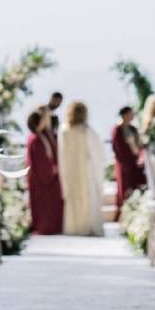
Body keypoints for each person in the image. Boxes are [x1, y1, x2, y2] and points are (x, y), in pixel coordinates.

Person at [57, 101, 106, 236]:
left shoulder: (64, 131)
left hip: (70, 172)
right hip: (86, 172)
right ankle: (87, 227)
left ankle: (74, 228)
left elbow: (60, 155)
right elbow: (98, 155)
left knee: (73, 200)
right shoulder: (88, 132)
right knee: (87, 199)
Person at [25, 110, 63, 235]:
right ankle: (45, 227)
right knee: (43, 205)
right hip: (40, 178)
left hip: (45, 175)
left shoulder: (41, 136)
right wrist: (50, 172)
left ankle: (52, 226)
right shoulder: (35, 139)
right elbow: (39, 160)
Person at [111, 105, 147, 212]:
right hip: (125, 164)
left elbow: (140, 144)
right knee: (125, 188)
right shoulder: (117, 129)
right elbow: (117, 147)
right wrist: (125, 161)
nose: (132, 116)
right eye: (130, 114)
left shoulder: (133, 129)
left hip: (136, 163)